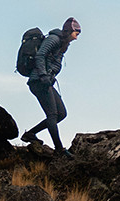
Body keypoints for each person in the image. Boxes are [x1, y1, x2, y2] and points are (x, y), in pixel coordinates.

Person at [22, 17, 80, 157]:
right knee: (53, 115)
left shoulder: (63, 45)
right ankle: (59, 149)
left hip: (46, 81)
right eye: (76, 33)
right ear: (70, 30)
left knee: (61, 114)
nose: (77, 37)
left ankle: (30, 134)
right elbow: (40, 55)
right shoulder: (54, 39)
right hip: (39, 81)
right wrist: (43, 75)